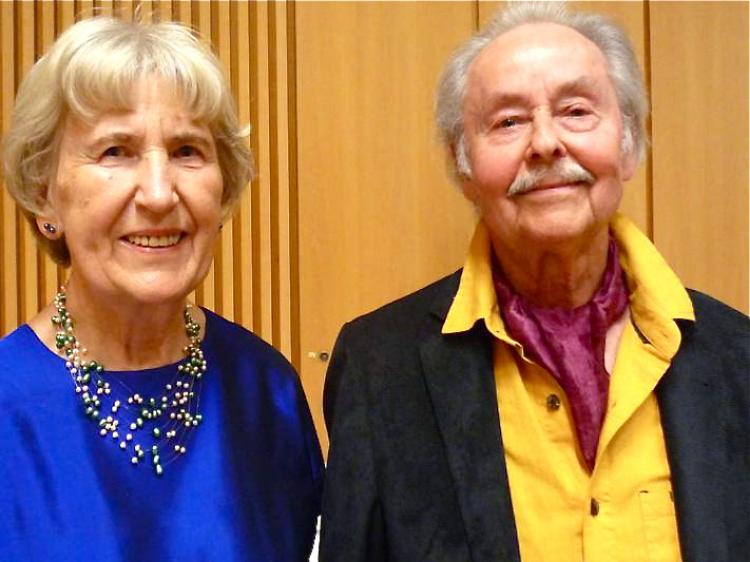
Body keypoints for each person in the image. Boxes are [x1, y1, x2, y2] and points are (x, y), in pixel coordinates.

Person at [320, 3, 748, 561]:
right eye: (508, 122)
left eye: (576, 111)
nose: (545, 143)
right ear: (463, 166)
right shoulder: (380, 367)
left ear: (629, 144)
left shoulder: (737, 357)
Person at [0, 16, 323, 562]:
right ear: (43, 194)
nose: (157, 193)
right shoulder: (9, 404)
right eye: (115, 151)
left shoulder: (267, 391)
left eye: (186, 151)